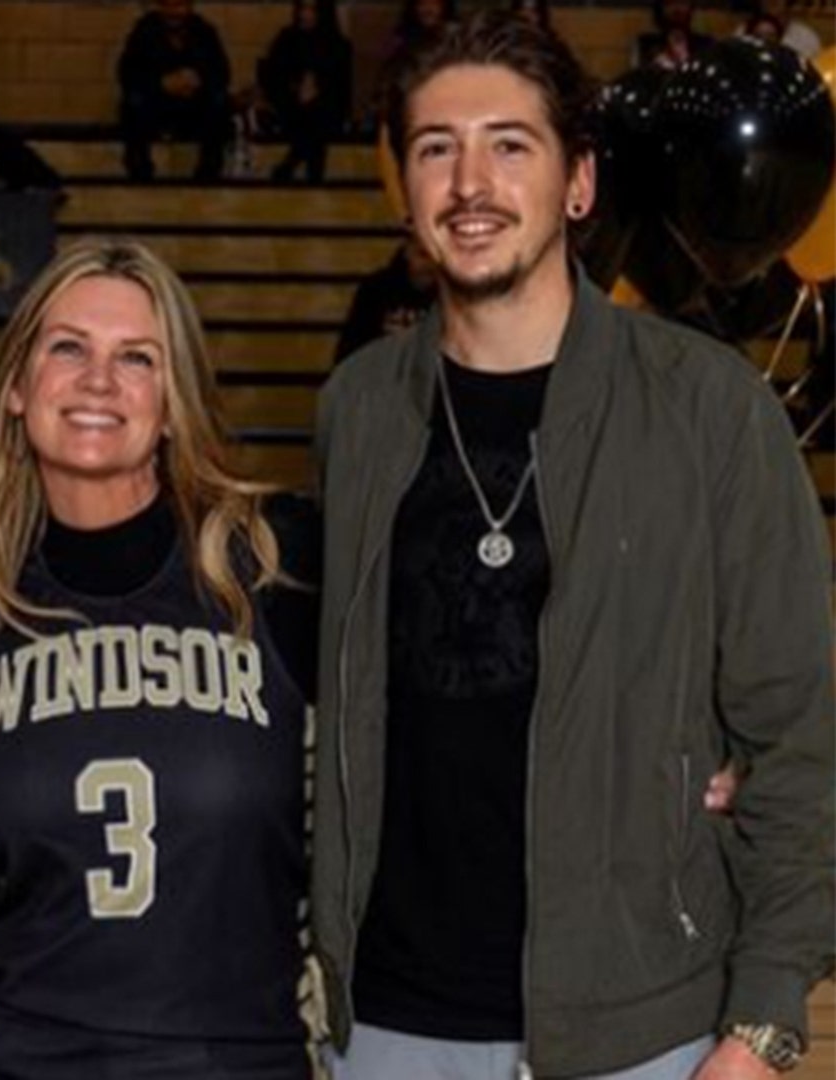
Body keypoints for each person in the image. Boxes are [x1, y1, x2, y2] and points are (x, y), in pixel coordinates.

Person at [313, 12, 834, 1079]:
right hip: (389, 1027)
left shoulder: (711, 410)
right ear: (405, 190)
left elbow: (800, 739)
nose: (471, 183)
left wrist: (761, 1030)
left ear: (580, 182)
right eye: (435, 148)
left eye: (511, 145)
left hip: (645, 1026)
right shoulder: (359, 409)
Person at [0, 238, 316, 1078]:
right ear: (18, 386)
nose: (97, 381)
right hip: (18, 1055)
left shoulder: (278, 558)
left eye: (137, 359)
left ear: (173, 400)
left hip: (232, 1059)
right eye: (68, 349)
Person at [118, 0, 235, 182]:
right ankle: (140, 171)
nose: (174, 12)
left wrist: (197, 81)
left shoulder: (204, 31)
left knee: (220, 102)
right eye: (168, 6)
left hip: (194, 106)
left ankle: (209, 172)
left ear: (189, 6)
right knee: (133, 103)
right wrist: (161, 84)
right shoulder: (144, 31)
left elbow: (222, 73)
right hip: (157, 104)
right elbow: (127, 74)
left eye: (179, 6)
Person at [257, 0, 353, 184]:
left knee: (316, 116)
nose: (305, 15)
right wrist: (295, 89)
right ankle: (312, 178)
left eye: (312, 10)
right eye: (302, 9)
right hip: (289, 109)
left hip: (325, 110)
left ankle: (290, 165)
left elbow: (343, 90)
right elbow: (272, 78)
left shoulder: (338, 45)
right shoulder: (286, 40)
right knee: (310, 122)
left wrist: (318, 90)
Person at [333, 238, 438, 361]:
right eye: (423, 255)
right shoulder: (376, 290)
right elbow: (351, 349)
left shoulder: (453, 293)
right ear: (407, 252)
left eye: (436, 258)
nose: (429, 265)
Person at [634, 0, 714, 68]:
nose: (677, 9)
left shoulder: (706, 44)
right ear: (661, 7)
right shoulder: (646, 44)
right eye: (671, 3)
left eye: (682, 3)